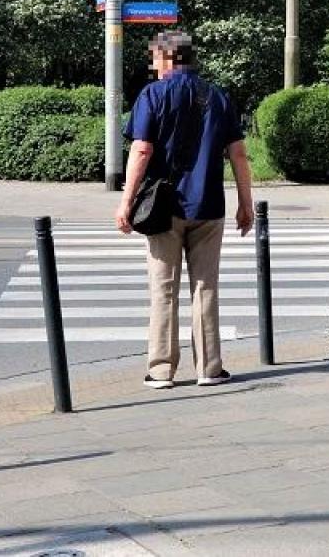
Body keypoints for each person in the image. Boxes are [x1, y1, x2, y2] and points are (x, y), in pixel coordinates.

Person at [116, 30, 253, 390]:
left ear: (167, 58)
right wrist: (246, 203)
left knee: (164, 288)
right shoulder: (219, 97)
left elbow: (142, 150)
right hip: (208, 205)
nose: (154, 67)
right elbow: (238, 153)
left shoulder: (153, 95)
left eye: (155, 59)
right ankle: (209, 367)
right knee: (205, 287)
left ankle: (161, 369)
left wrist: (126, 201)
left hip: (162, 208)